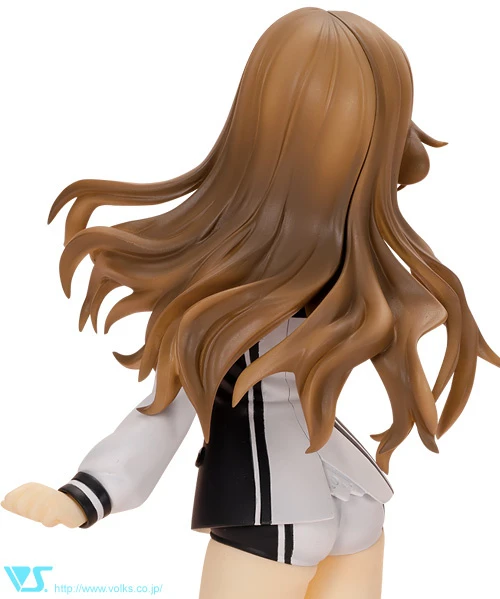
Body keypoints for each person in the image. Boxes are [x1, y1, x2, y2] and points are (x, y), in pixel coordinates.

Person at [2, 8, 498, 599]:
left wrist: (87, 495)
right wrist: (88, 493)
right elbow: (172, 405)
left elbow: (170, 405)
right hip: (348, 502)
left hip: (277, 512)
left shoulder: (264, 282)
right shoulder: (331, 275)